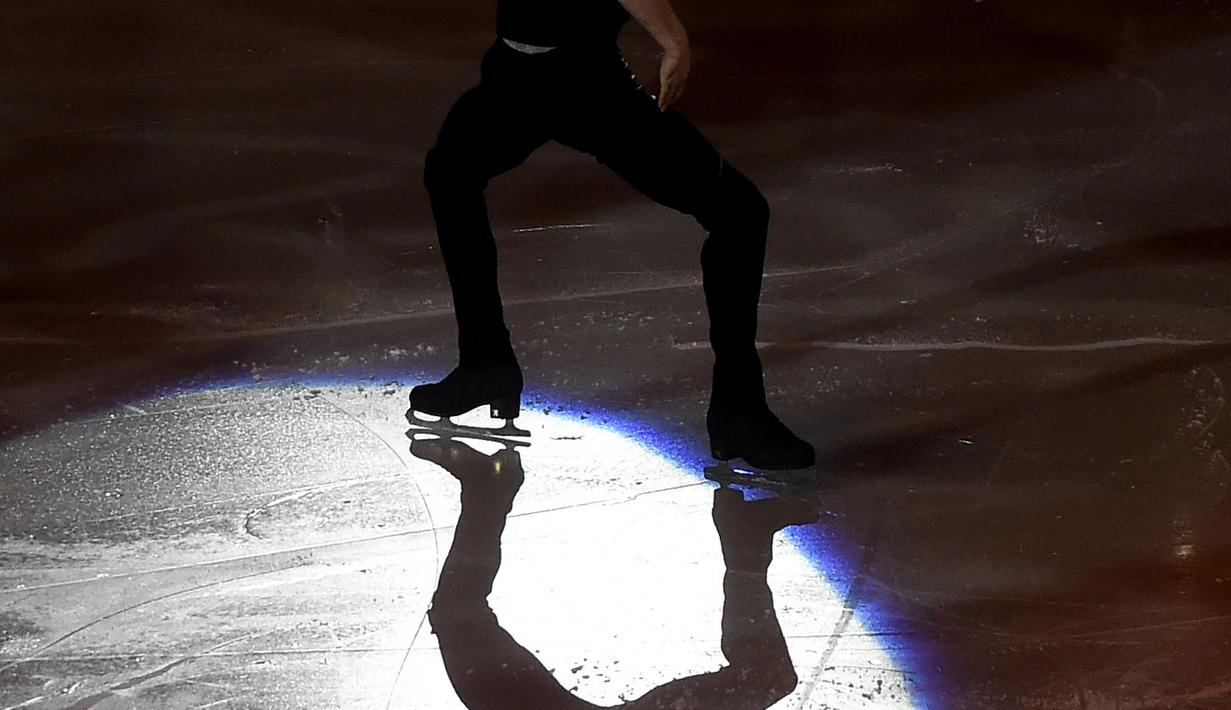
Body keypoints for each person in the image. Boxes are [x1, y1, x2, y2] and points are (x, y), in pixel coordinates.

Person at [409, 0, 814, 470]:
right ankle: (484, 363)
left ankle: (739, 410)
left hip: (580, 82)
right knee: (449, 172)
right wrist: (673, 39)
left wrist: (671, 38)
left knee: (739, 212)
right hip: (523, 78)